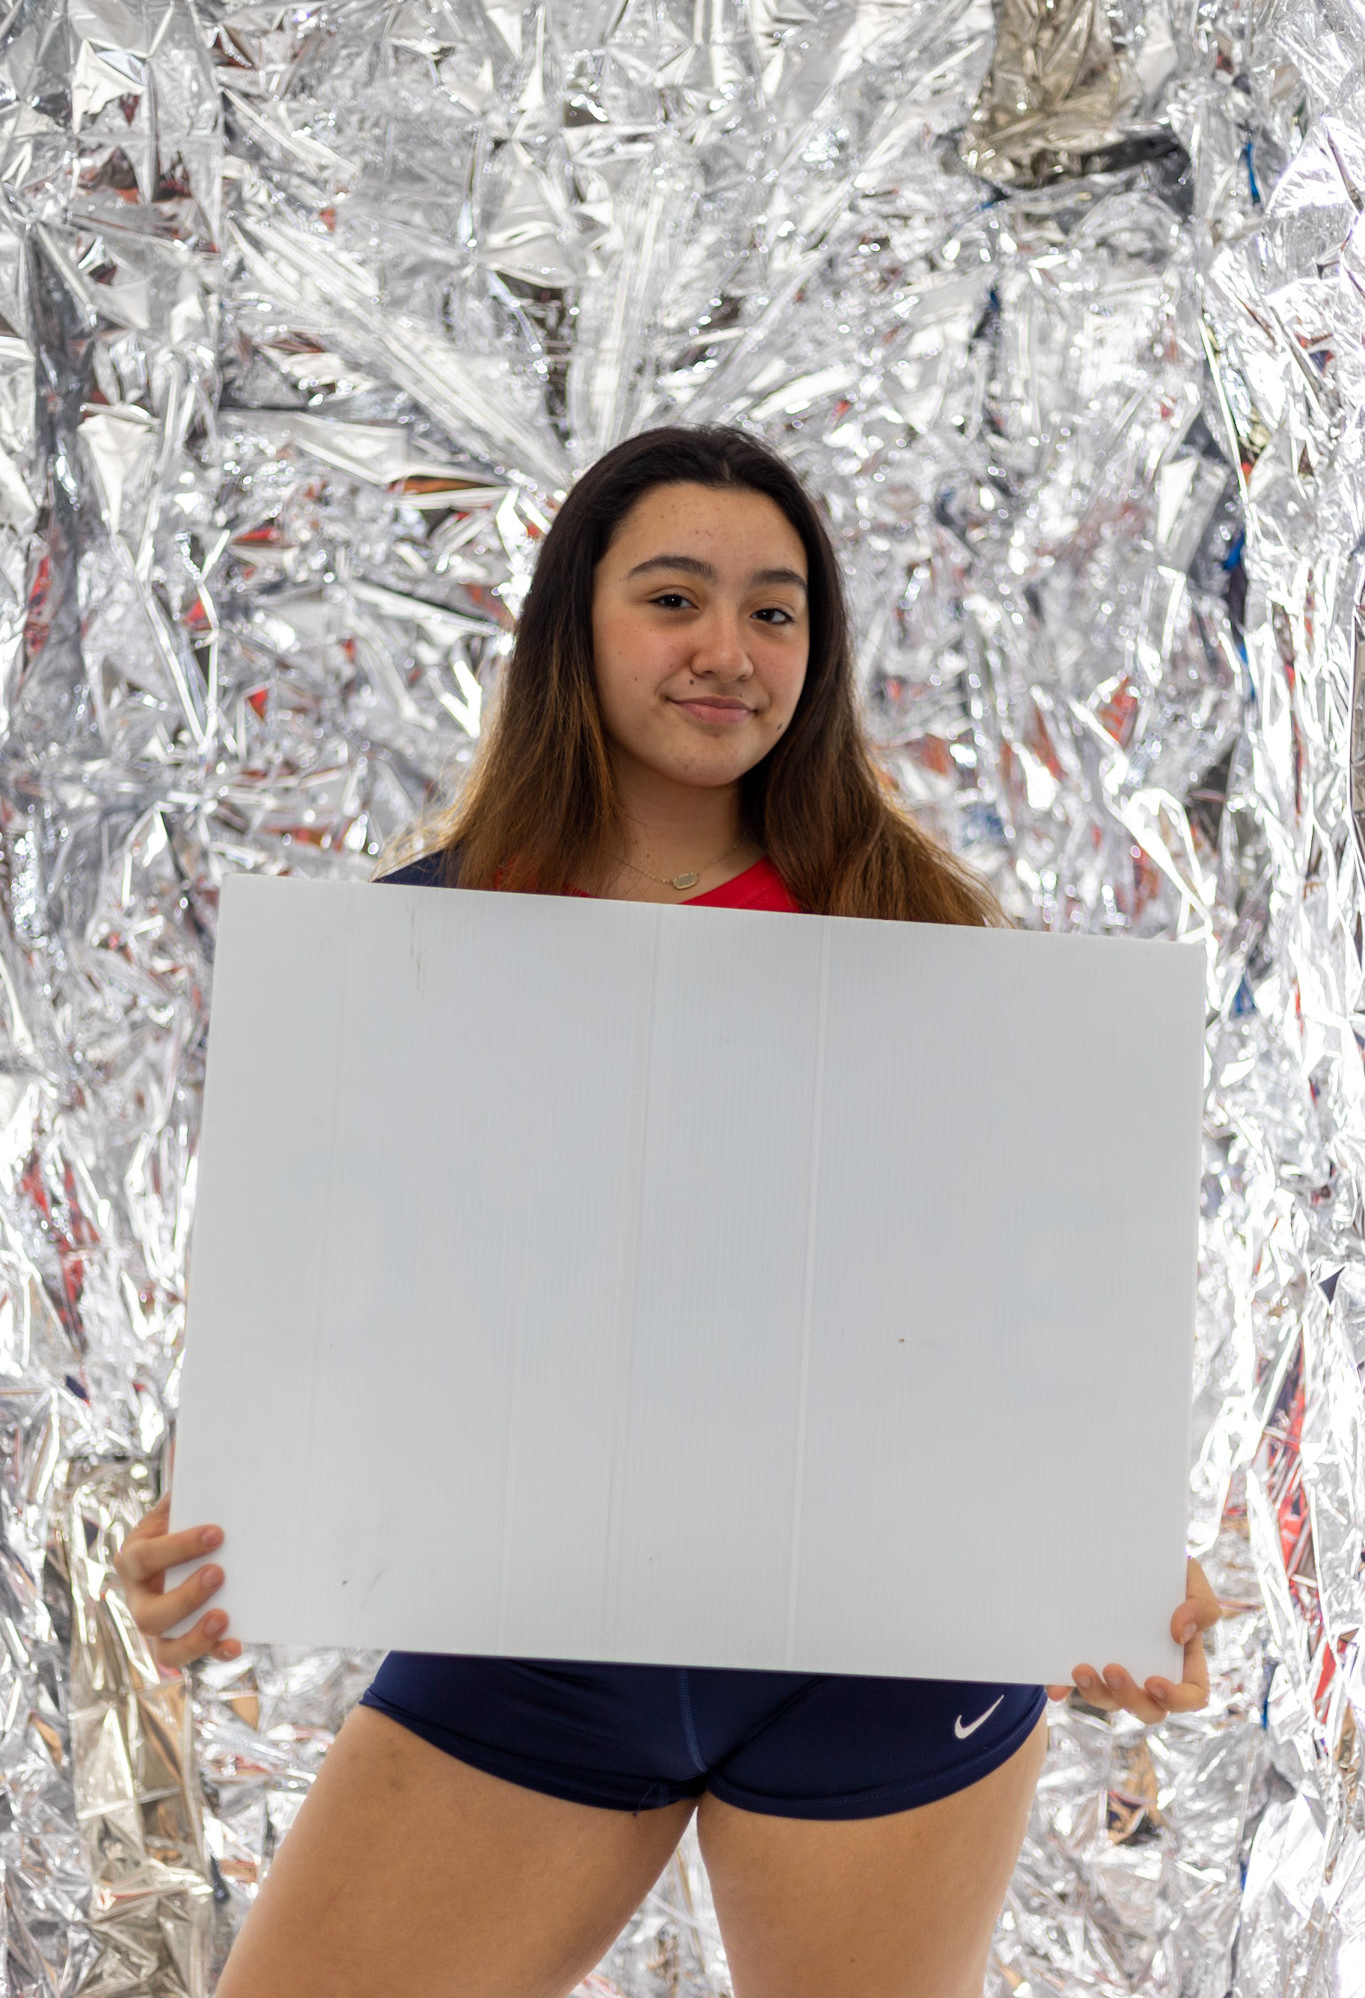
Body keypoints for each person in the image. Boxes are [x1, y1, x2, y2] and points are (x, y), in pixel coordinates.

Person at [114, 425, 1221, 1998]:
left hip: (885, 1662)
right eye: (674, 597)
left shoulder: (912, 938)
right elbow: (338, 1313)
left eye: (776, 612)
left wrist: (1109, 1559)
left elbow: (1026, 1314)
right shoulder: (423, 952)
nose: (727, 649)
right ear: (576, 624)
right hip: (537, 1655)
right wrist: (214, 1530)